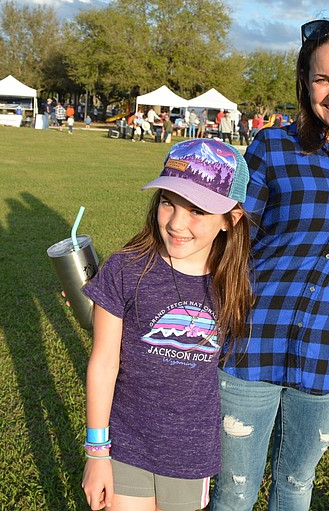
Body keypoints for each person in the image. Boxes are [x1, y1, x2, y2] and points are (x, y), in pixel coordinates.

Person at [209, 13, 329, 511]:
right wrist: (135, 275)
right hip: (250, 344)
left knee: (296, 486)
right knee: (234, 491)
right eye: (322, 78)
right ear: (306, 82)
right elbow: (223, 233)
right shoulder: (273, 147)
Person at [81, 138, 253, 511]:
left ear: (230, 220)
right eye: (168, 203)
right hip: (126, 443)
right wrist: (97, 453)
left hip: (191, 454)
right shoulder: (125, 269)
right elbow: (103, 364)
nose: (176, 223)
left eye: (197, 211)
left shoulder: (232, 281)